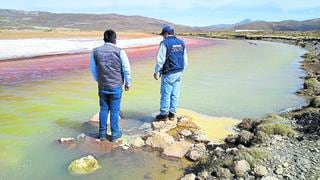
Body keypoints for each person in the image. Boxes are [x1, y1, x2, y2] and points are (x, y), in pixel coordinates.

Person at [90, 29, 131, 142]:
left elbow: (93, 69)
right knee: (114, 110)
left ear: (104, 39)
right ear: (115, 39)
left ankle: (102, 134)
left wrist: (99, 80)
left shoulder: (95, 51)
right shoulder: (120, 51)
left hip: (103, 86)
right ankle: (114, 134)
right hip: (116, 86)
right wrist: (128, 83)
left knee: (103, 109)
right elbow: (126, 69)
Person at [154, 26, 188, 121]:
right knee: (175, 93)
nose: (163, 37)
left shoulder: (165, 43)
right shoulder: (181, 42)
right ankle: (172, 113)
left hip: (169, 72)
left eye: (163, 35)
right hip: (179, 72)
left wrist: (156, 71)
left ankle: (164, 114)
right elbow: (185, 59)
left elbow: (160, 60)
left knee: (165, 94)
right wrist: (182, 70)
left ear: (166, 34)